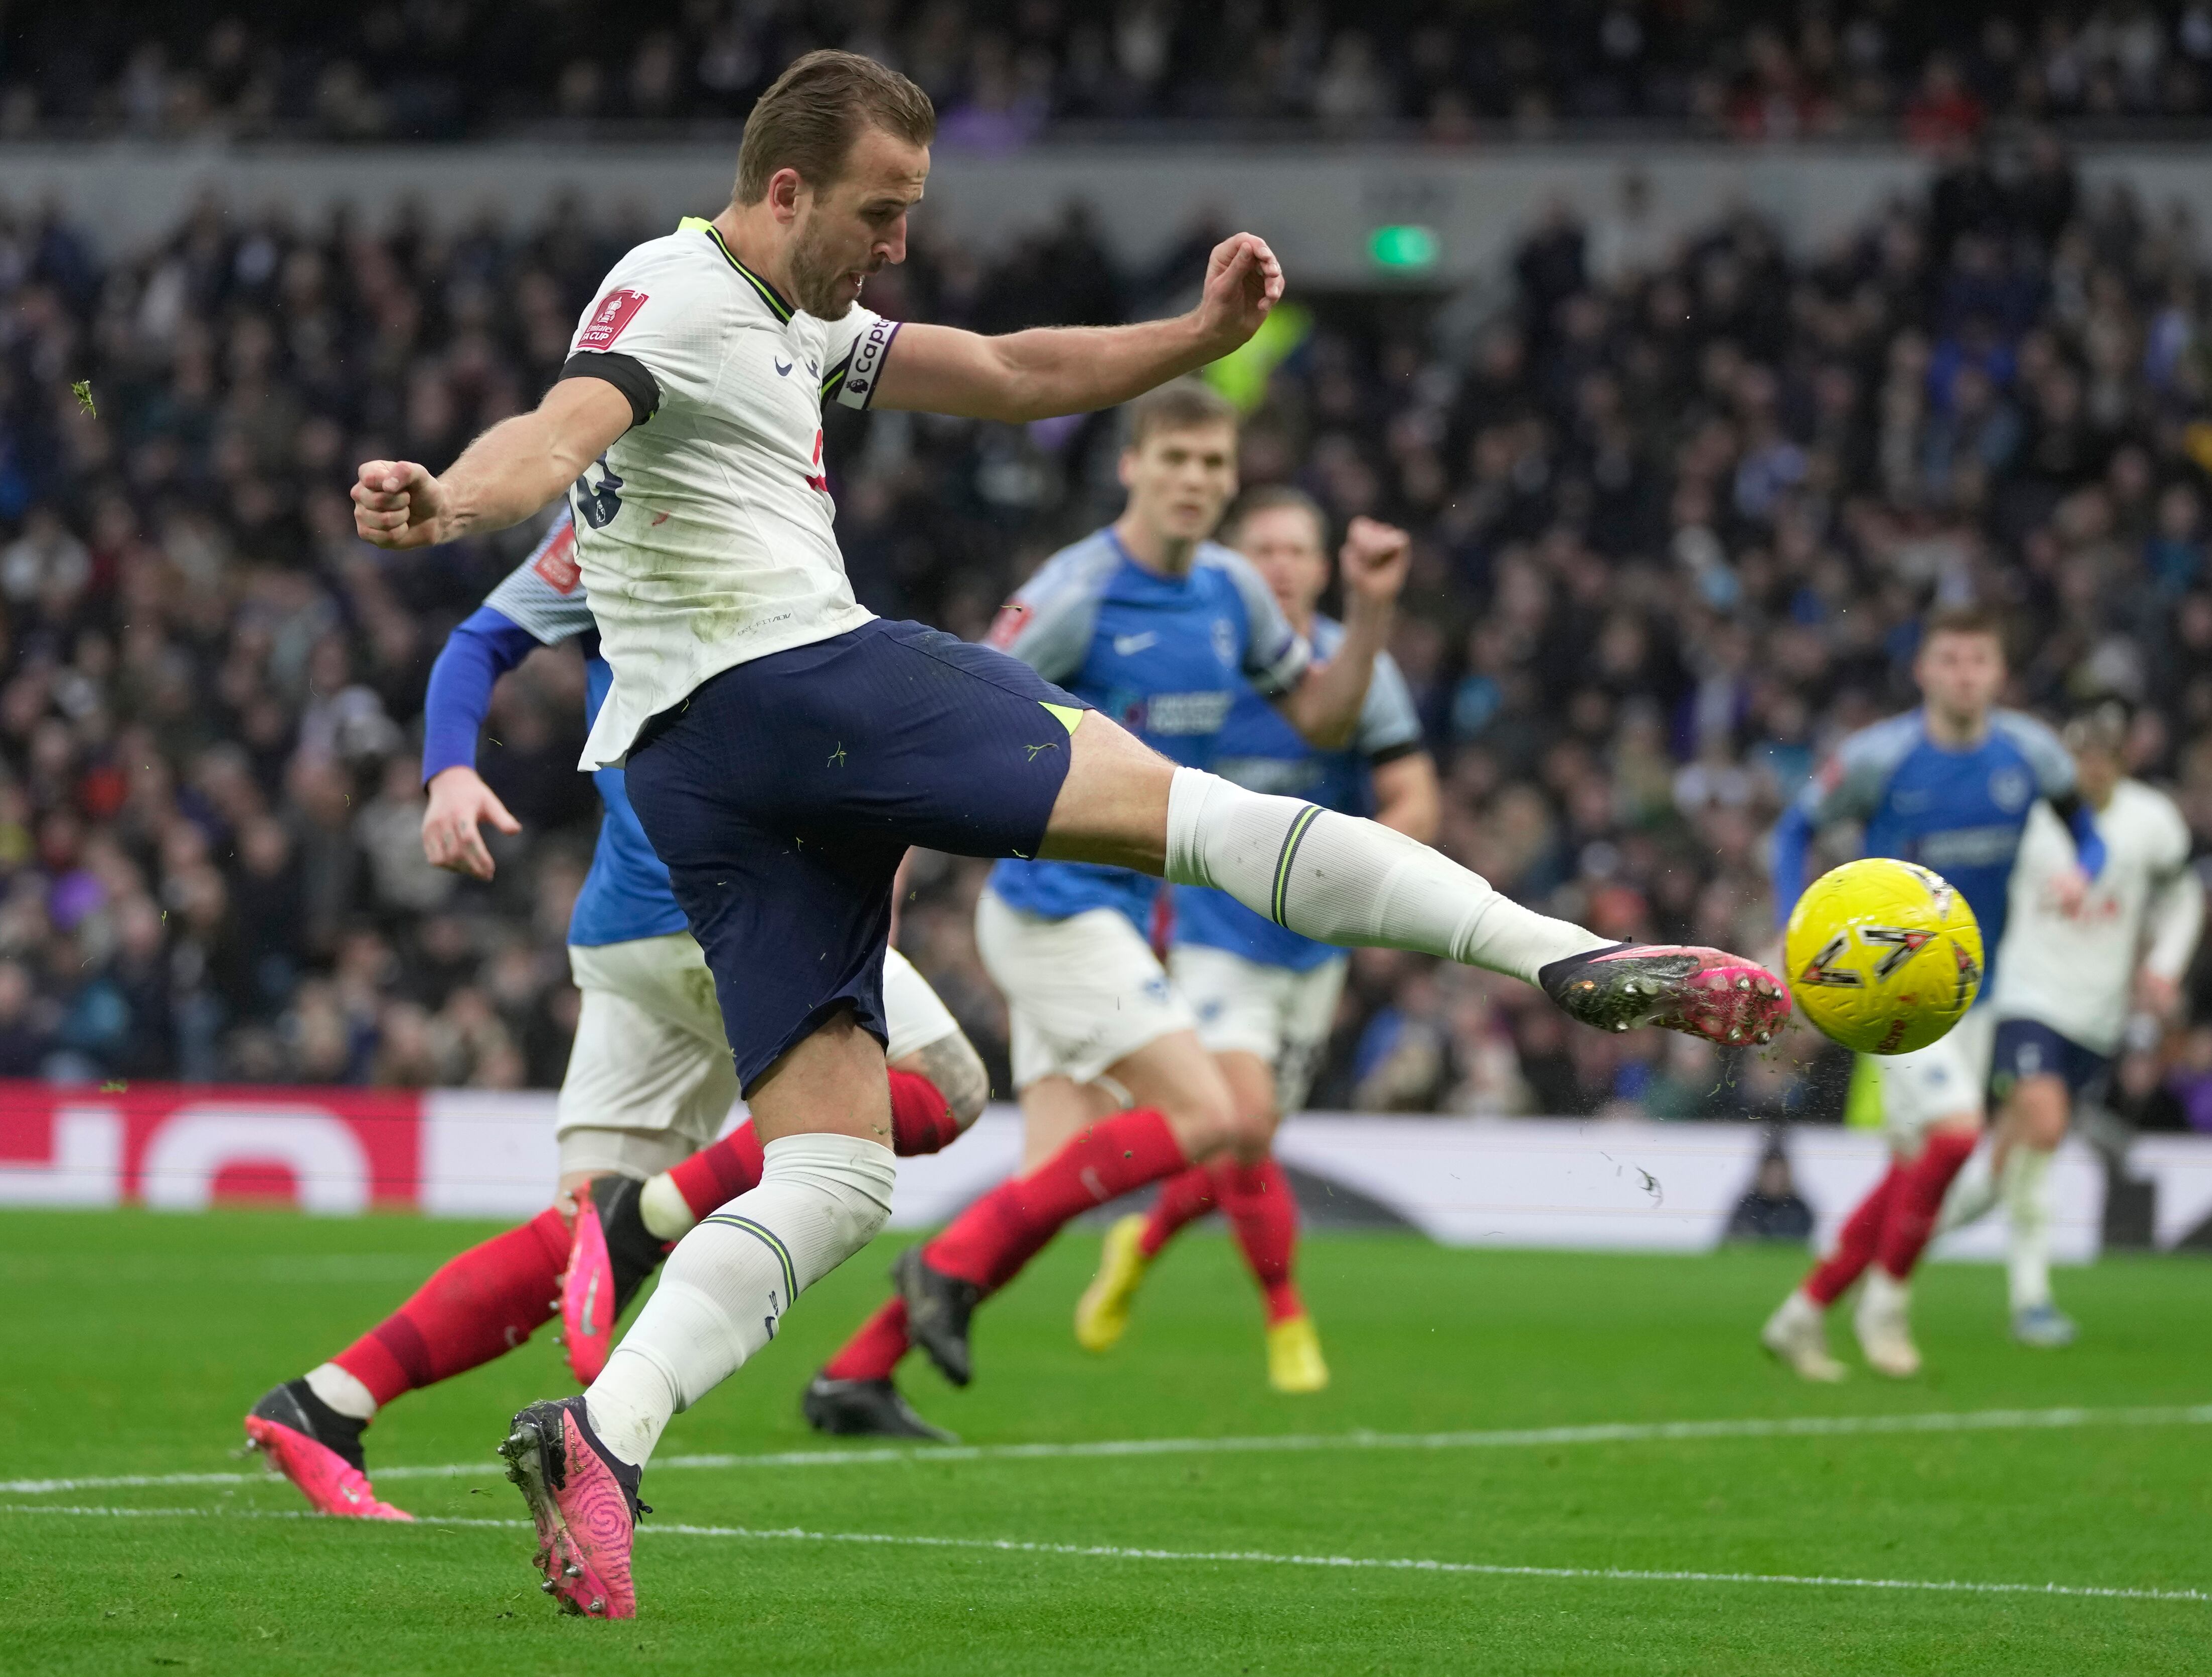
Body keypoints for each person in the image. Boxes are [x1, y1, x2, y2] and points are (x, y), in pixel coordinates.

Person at [350, 49, 1786, 1618]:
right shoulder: (675, 294)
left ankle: (601, 1437)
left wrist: (1194, 335)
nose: (895, 241)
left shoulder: (802, 322)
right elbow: (558, 427)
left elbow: (1013, 370)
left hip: (694, 771)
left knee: (833, 1172)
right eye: (878, 211)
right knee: (1205, 816)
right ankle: (1565, 954)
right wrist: (447, 500)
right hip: (799, 680)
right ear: (783, 191)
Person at [240, 509, 987, 1519]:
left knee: (571, 1242)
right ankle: (655, 1211)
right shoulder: (672, 500)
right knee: (943, 1086)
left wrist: (451, 765)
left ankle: (326, 1402)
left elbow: (478, 641)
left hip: (629, 923)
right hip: (735, 909)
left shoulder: (631, 503)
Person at [803, 398, 1413, 1436]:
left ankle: (854, 1374)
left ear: (1228, 478)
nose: (1194, 476)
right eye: (1173, 456)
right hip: (1051, 907)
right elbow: (942, 721)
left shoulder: (1228, 591)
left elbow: (1322, 714)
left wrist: (1371, 610)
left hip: (1118, 914)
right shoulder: (1074, 593)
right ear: (1131, 465)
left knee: (1051, 1186)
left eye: (1212, 460)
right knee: (1213, 1115)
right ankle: (939, 1264)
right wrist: (884, 882)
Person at [1082, 482, 1438, 1389]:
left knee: (1242, 1137)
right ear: (1235, 569)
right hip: (1212, 934)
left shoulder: (1359, 670)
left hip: (1315, 950)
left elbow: (1414, 792)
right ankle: (1288, 1318)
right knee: (1240, 1124)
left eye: (1298, 550)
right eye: (1264, 550)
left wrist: (1379, 870)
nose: (1280, 566)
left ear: (1324, 569)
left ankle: (1144, 1237)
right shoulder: (1198, 665)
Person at [1759, 604, 2104, 1382]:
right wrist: (1796, 929)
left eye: (1978, 660)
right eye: (1949, 660)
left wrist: (2084, 865)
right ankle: (1887, 1303)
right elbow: (1792, 832)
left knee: (1914, 1163)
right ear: (1923, 670)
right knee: (1955, 1136)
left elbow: (2088, 828)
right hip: (1891, 998)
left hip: (1973, 994)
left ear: (1999, 672)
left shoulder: (2032, 753)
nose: (1964, 674)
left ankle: (1803, 1313)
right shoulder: (1880, 757)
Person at [1937, 705, 2201, 1346]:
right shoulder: (2031, 819)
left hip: (2098, 1019)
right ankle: (2031, 1300)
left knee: (2009, 1164)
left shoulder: (2151, 822)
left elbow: (2183, 895)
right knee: (2047, 1124)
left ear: (2119, 757)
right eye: (2078, 753)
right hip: (2027, 1000)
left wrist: (2165, 965)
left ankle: (1906, 1233)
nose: (2088, 765)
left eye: (2100, 753)